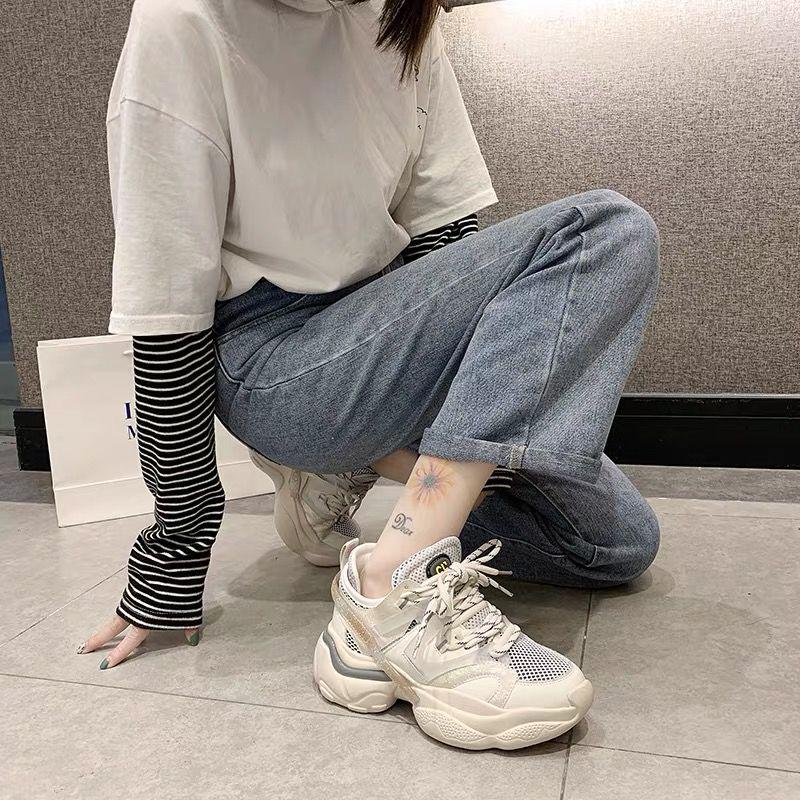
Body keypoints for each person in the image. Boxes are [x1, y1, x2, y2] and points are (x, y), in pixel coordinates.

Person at [78, 0, 661, 750]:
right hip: (271, 357)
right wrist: (175, 551)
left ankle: (351, 468)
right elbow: (168, 309)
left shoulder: (403, 16)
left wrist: (441, 394)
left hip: (378, 327)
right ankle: (387, 585)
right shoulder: (185, 18)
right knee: (606, 230)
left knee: (614, 544)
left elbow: (444, 241)